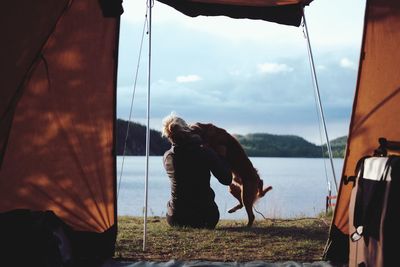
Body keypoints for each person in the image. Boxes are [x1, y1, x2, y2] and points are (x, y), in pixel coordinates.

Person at [161, 113, 232, 229]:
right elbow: (227, 179)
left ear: (168, 136)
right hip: (206, 218)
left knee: (172, 202)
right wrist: (221, 157)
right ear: (188, 129)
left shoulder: (167, 157)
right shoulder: (205, 152)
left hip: (176, 219)